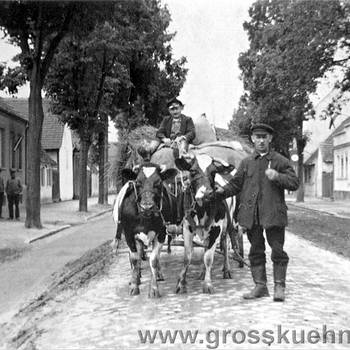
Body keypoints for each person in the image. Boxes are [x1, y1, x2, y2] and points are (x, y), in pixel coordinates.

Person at [204, 123, 299, 302]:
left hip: (273, 214)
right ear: (252, 139)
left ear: (270, 139)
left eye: (264, 137)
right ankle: (260, 286)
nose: (261, 140)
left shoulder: (279, 161)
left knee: (277, 250)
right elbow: (235, 184)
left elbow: (294, 182)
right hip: (251, 215)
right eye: (258, 137)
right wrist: (219, 193)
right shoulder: (247, 162)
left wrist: (277, 176)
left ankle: (279, 287)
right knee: (256, 250)